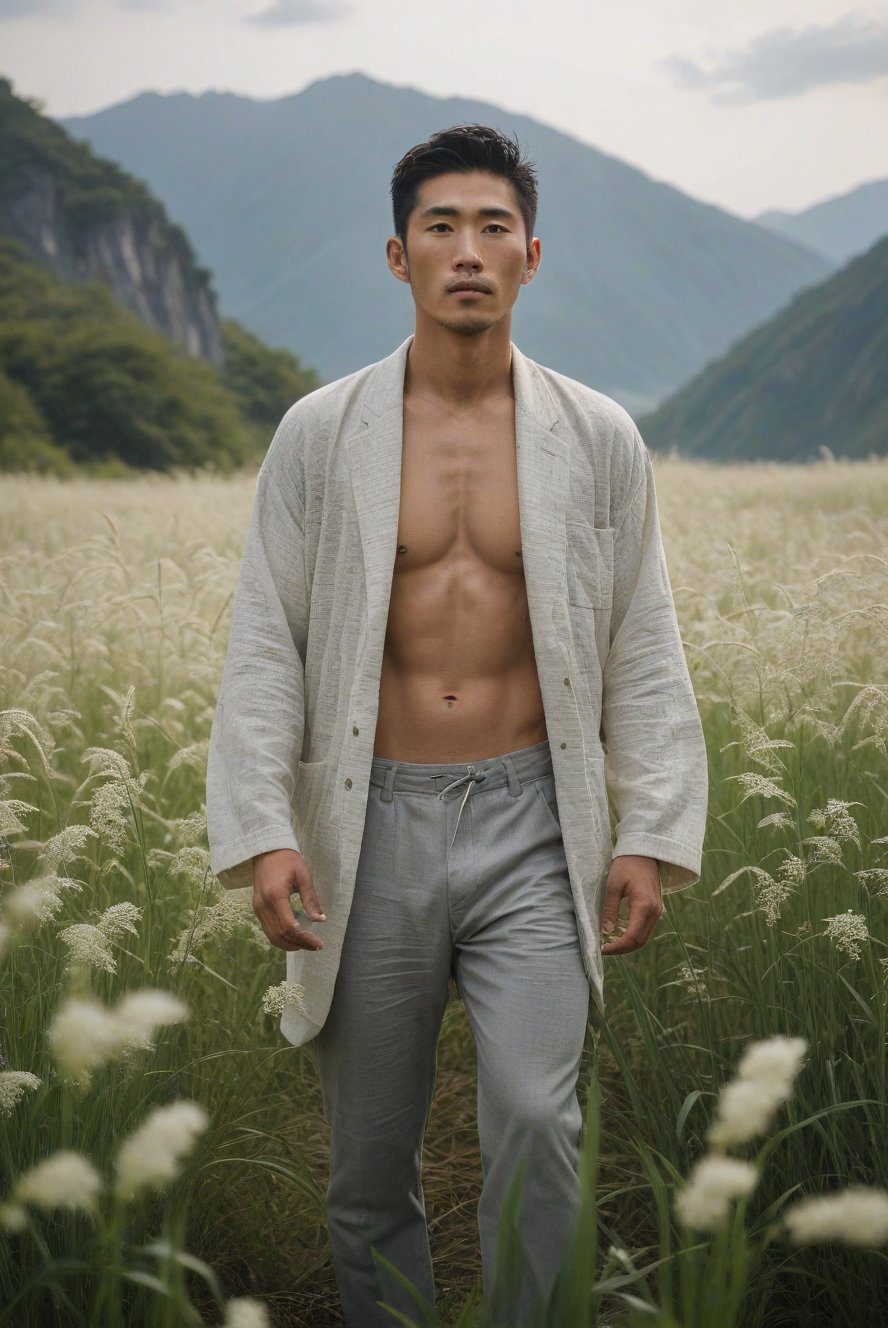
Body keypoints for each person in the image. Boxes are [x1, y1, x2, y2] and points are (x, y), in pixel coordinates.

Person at [206, 124, 708, 1327]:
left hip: (535, 819)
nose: (468, 251)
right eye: (442, 226)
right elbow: (265, 638)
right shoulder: (322, 434)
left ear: (532, 256)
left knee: (539, 1117)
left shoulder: (596, 437)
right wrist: (267, 826)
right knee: (370, 1158)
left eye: (493, 228)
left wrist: (646, 829)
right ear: (398, 255)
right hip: (367, 825)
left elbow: (643, 639)